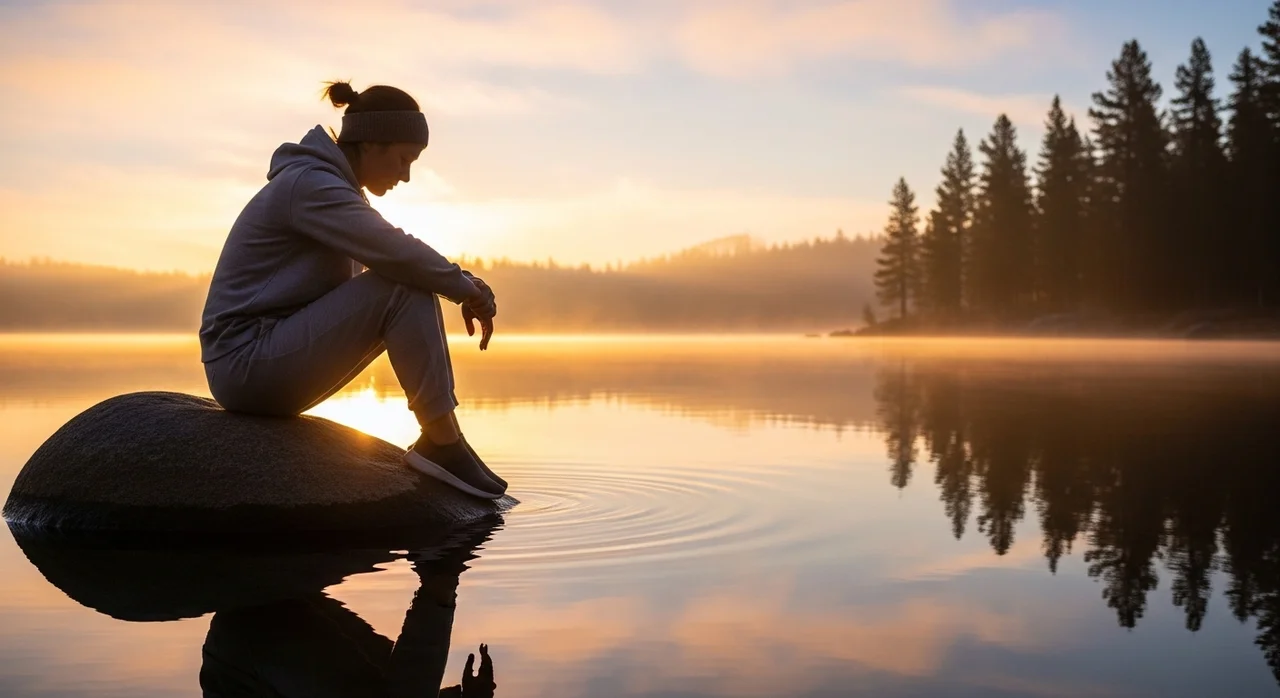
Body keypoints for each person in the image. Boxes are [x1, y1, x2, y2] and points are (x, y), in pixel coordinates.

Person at [199, 81, 506, 499]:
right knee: (402, 284)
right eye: (403, 159)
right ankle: (443, 443)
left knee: (405, 280)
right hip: (245, 362)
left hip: (263, 359)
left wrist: (461, 280)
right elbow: (395, 252)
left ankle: (444, 441)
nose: (406, 175)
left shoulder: (333, 192)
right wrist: (464, 288)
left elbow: (392, 253)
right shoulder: (309, 186)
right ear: (372, 143)